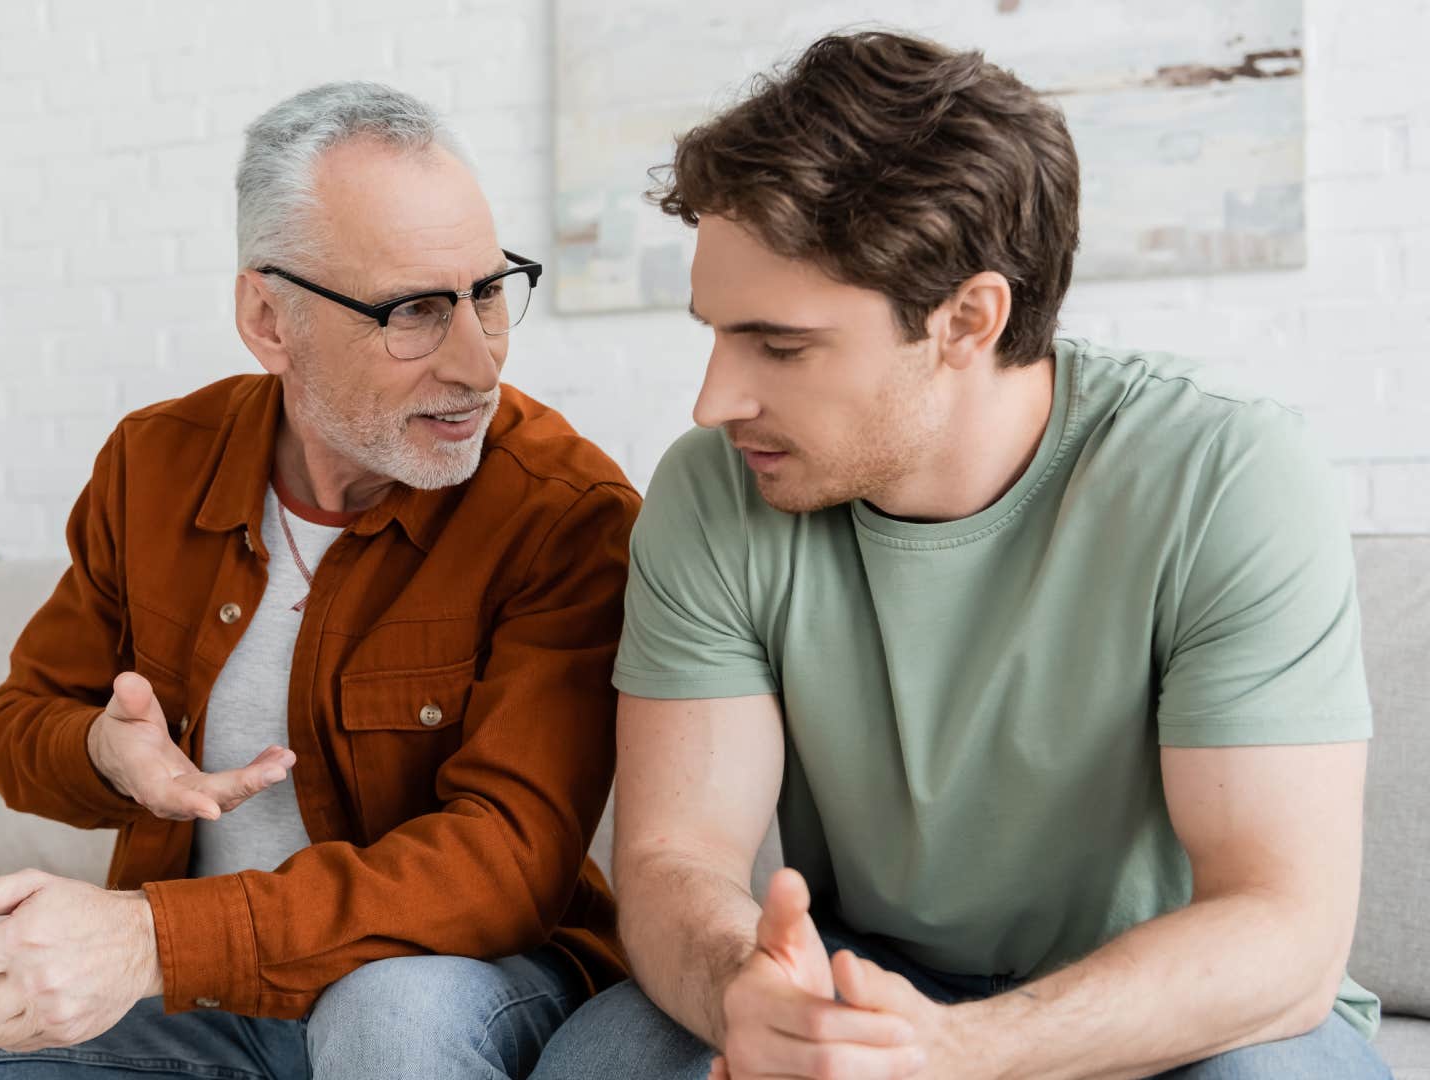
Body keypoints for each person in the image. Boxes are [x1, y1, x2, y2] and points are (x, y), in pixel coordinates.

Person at [530, 30, 1388, 1080]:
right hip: (867, 974)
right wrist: (744, 990)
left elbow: (1282, 928)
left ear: (968, 319)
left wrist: (958, 1053)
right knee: (607, 1057)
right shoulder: (713, 490)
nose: (714, 402)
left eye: (780, 346)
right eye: (715, 333)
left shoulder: (1226, 475)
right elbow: (674, 859)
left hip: (1167, 1009)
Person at [0, 81, 638, 1080]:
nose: (476, 360)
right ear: (269, 318)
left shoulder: (562, 509)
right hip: (204, 997)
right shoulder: (154, 464)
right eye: (415, 310)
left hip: (455, 977)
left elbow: (506, 862)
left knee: (390, 1016)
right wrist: (108, 758)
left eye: (489, 293)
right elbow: (18, 723)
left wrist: (157, 938)